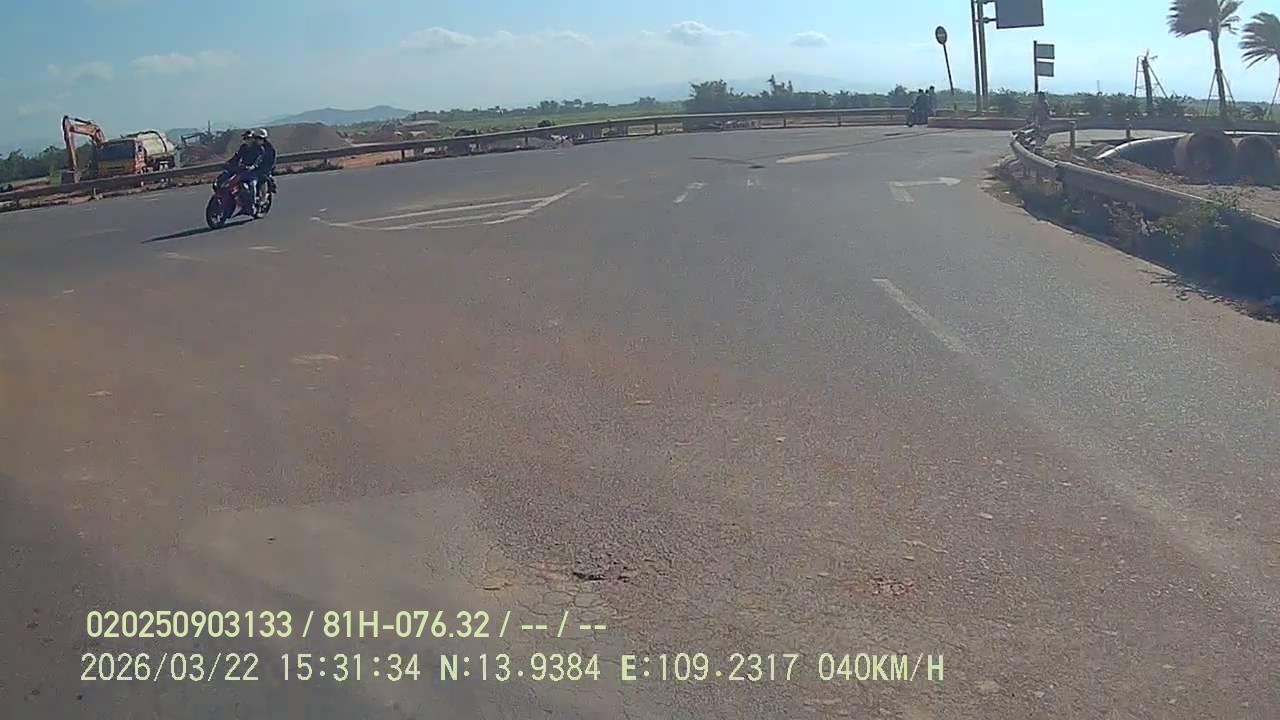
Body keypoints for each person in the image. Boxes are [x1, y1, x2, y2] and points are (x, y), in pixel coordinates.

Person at [224, 130, 265, 211]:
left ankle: (252, 206)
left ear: (253, 138)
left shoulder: (259, 148)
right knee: (230, 183)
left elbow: (259, 160)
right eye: (245, 138)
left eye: (248, 138)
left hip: (254, 173)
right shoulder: (243, 147)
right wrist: (229, 162)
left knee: (252, 185)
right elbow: (237, 156)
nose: (246, 140)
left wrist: (253, 166)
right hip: (243, 171)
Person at [253, 128, 276, 204]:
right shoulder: (254, 146)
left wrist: (267, 168)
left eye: (260, 138)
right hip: (255, 167)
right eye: (256, 138)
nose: (258, 140)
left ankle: (263, 197)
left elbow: (271, 160)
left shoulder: (269, 148)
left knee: (262, 178)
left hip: (265, 167)